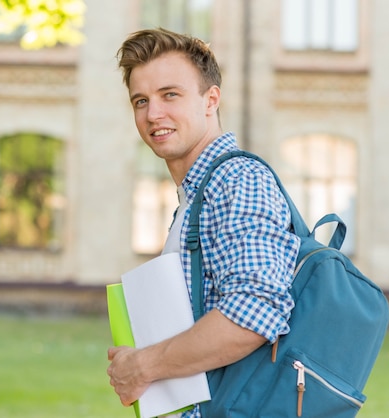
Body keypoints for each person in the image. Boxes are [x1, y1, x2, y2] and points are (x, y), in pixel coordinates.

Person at [106, 28, 300, 418]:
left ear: (211, 100)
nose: (153, 114)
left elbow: (255, 310)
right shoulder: (197, 196)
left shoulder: (237, 180)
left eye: (170, 95)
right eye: (140, 100)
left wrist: (142, 366)